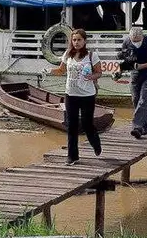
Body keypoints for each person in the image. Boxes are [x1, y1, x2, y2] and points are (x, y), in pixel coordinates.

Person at [42, 29, 102, 165]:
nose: (76, 42)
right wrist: (49, 70)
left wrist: (91, 76)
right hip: (71, 94)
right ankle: (72, 156)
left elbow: (99, 73)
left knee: (87, 124)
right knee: (71, 125)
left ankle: (96, 143)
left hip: (87, 95)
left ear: (84, 41)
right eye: (74, 40)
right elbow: (61, 70)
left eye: (79, 40)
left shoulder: (92, 56)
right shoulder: (67, 55)